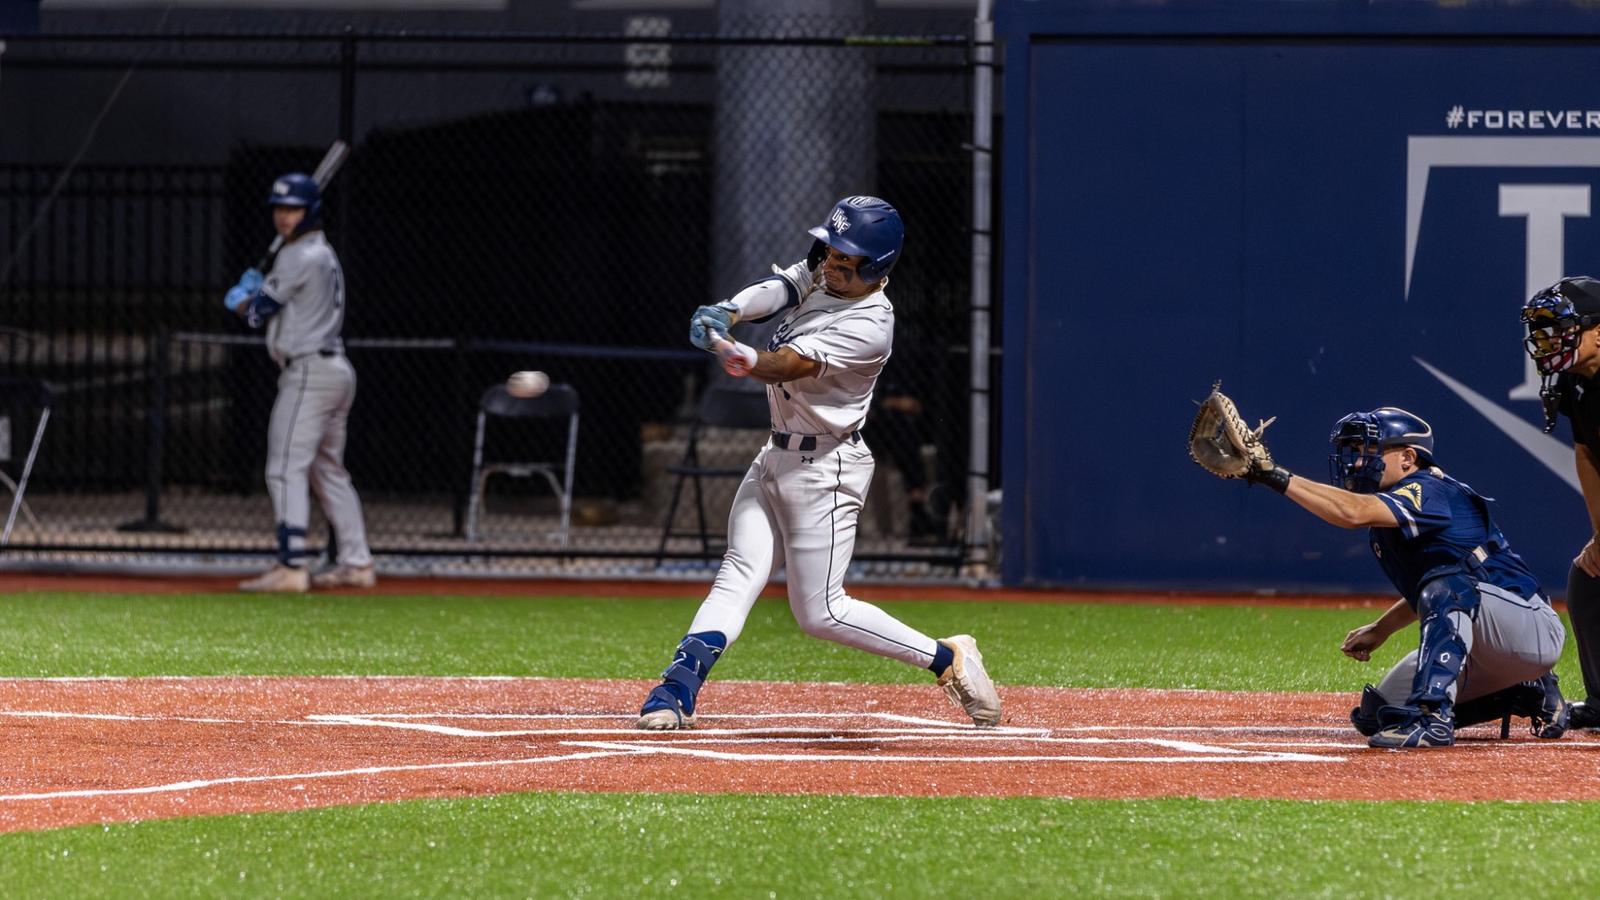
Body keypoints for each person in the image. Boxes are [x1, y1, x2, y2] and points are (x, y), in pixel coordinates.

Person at [634, 195, 1001, 730]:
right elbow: (784, 286)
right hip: (776, 455)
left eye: (845, 260)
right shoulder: (829, 272)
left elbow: (793, 364)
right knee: (738, 573)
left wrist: (749, 359)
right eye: (829, 250)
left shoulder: (871, 322)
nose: (830, 263)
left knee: (822, 612)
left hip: (825, 470)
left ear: (875, 269)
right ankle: (677, 688)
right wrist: (730, 311)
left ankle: (949, 659)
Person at [1239, 407, 1567, 748]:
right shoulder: (1389, 520)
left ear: (1408, 458)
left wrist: (1271, 475)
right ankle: (1520, 692)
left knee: (1446, 591)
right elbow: (1436, 586)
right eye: (1354, 451)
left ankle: (1433, 719)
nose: (1355, 462)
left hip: (1530, 628)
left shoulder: (1428, 489)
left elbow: (1354, 512)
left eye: (1369, 451)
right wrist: (1382, 628)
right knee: (1378, 715)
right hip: (1480, 634)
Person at [222, 173, 375, 593]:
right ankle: (357, 562)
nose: (283, 217)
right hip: (334, 369)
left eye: (292, 209)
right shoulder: (319, 253)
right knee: (327, 470)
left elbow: (256, 314)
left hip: (310, 371)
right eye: (279, 208)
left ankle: (291, 566)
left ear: (310, 213)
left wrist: (240, 299)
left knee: (286, 467)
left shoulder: (299, 257)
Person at [1520, 275, 1600, 729]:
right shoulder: (1575, 382)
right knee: (1589, 578)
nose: (1550, 339)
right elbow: (1588, 452)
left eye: (1562, 327)